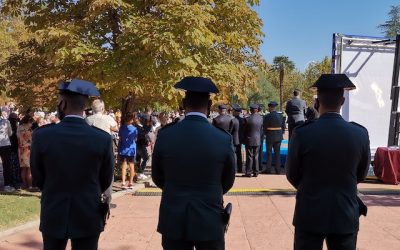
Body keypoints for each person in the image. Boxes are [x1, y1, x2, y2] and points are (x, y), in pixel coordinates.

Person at [285, 74, 370, 250]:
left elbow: (292, 175)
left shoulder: (302, 133)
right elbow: (360, 175)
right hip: (345, 213)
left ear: (316, 103)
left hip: (309, 213)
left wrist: (310, 189)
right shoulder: (360, 134)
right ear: (343, 101)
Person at [152, 76, 236, 250]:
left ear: (183, 103)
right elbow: (228, 180)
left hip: (174, 216)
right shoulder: (222, 138)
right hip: (209, 217)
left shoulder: (166, 135)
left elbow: (158, 177)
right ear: (210, 104)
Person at [30, 79, 114, 250]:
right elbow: (105, 179)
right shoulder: (102, 138)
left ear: (63, 104)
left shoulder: (42, 136)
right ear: (84, 107)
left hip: (54, 208)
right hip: (88, 210)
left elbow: (38, 176)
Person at [86, 99, 118, 202]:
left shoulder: (87, 119)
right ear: (103, 108)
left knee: (93, 171)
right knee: (108, 171)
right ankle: (107, 197)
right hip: (106, 147)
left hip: (91, 148)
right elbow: (115, 128)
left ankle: (93, 195)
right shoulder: (107, 118)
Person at [263, 101, 285, 174]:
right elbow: (283, 127)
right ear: (275, 107)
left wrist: (265, 134)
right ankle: (278, 170)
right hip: (278, 136)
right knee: (277, 153)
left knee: (269, 153)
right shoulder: (281, 116)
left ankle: (268, 169)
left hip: (270, 136)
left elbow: (264, 127)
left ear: (270, 107)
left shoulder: (267, 116)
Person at [118, 112, 138, 189]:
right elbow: (135, 138)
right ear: (132, 120)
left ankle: (123, 182)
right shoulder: (134, 129)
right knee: (132, 165)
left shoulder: (122, 128)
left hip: (123, 148)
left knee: (124, 166)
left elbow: (120, 139)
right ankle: (130, 182)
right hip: (132, 149)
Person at [243, 104, 263, 177]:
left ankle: (248, 172)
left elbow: (244, 130)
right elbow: (261, 130)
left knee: (249, 156)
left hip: (249, 139)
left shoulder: (247, 119)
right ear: (257, 110)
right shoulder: (261, 118)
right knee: (256, 156)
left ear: (251, 110)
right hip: (257, 139)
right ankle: (256, 172)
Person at [17, 115, 34, 190]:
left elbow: (18, 139)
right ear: (28, 121)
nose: (32, 124)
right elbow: (31, 140)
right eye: (31, 122)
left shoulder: (19, 127)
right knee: (29, 168)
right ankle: (30, 186)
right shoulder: (29, 129)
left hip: (21, 150)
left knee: (23, 168)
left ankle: (24, 184)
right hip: (28, 149)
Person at [0, 111, 14, 192]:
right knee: (6, 165)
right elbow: (10, 133)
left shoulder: (6, 121)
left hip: (5, 144)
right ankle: (7, 185)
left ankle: (7, 185)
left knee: (6, 165)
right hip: (5, 144)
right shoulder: (6, 121)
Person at [232, 104, 244, 173]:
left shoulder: (233, 120)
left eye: (233, 111)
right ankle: (240, 169)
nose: (232, 112)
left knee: (234, 155)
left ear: (236, 112)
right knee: (239, 155)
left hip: (234, 139)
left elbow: (230, 131)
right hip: (240, 139)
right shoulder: (243, 120)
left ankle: (234, 169)